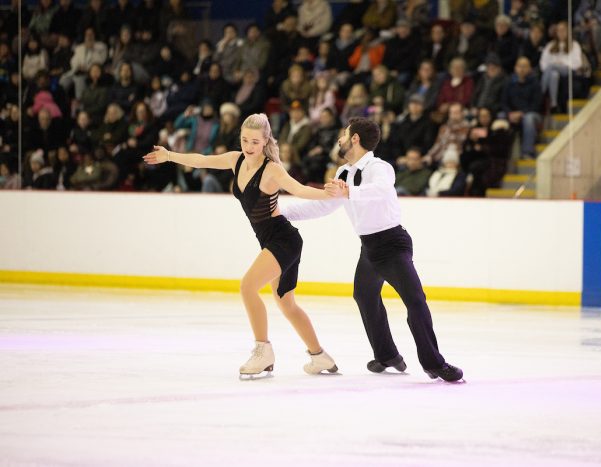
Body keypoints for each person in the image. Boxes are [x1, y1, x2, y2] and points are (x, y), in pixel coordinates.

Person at [143, 113, 338, 378]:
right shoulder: (236, 160)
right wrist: (170, 156)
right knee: (286, 304)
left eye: (255, 142)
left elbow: (298, 189)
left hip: (284, 239)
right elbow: (201, 161)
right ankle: (320, 357)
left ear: (265, 140)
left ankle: (263, 351)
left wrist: (328, 193)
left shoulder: (271, 169)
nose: (248, 146)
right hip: (272, 241)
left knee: (247, 287)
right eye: (245, 139)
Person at [280, 117, 464, 383]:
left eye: (343, 135)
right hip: (369, 247)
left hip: (392, 244)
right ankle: (387, 355)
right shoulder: (343, 174)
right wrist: (282, 214)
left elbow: (379, 191)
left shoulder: (380, 168)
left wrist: (348, 192)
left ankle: (434, 362)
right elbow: (323, 206)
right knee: (364, 296)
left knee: (415, 301)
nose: (339, 139)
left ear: (355, 139)